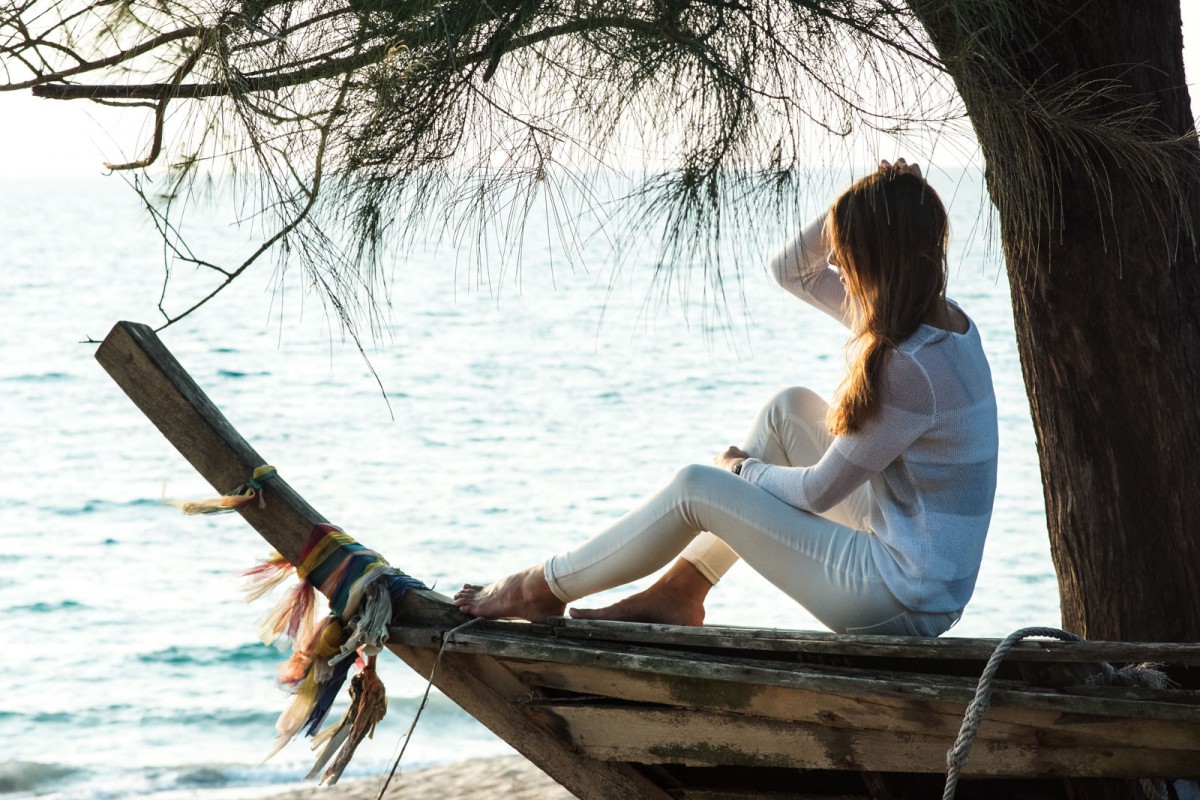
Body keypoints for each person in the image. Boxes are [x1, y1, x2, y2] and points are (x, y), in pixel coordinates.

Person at [454, 159, 998, 637]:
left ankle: (540, 588)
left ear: (875, 261)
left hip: (902, 599)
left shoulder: (909, 365)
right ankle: (679, 593)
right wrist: (866, 197)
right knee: (788, 412)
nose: (844, 273)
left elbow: (814, 493)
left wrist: (744, 471)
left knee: (698, 487)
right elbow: (793, 269)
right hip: (917, 565)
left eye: (850, 256)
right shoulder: (935, 323)